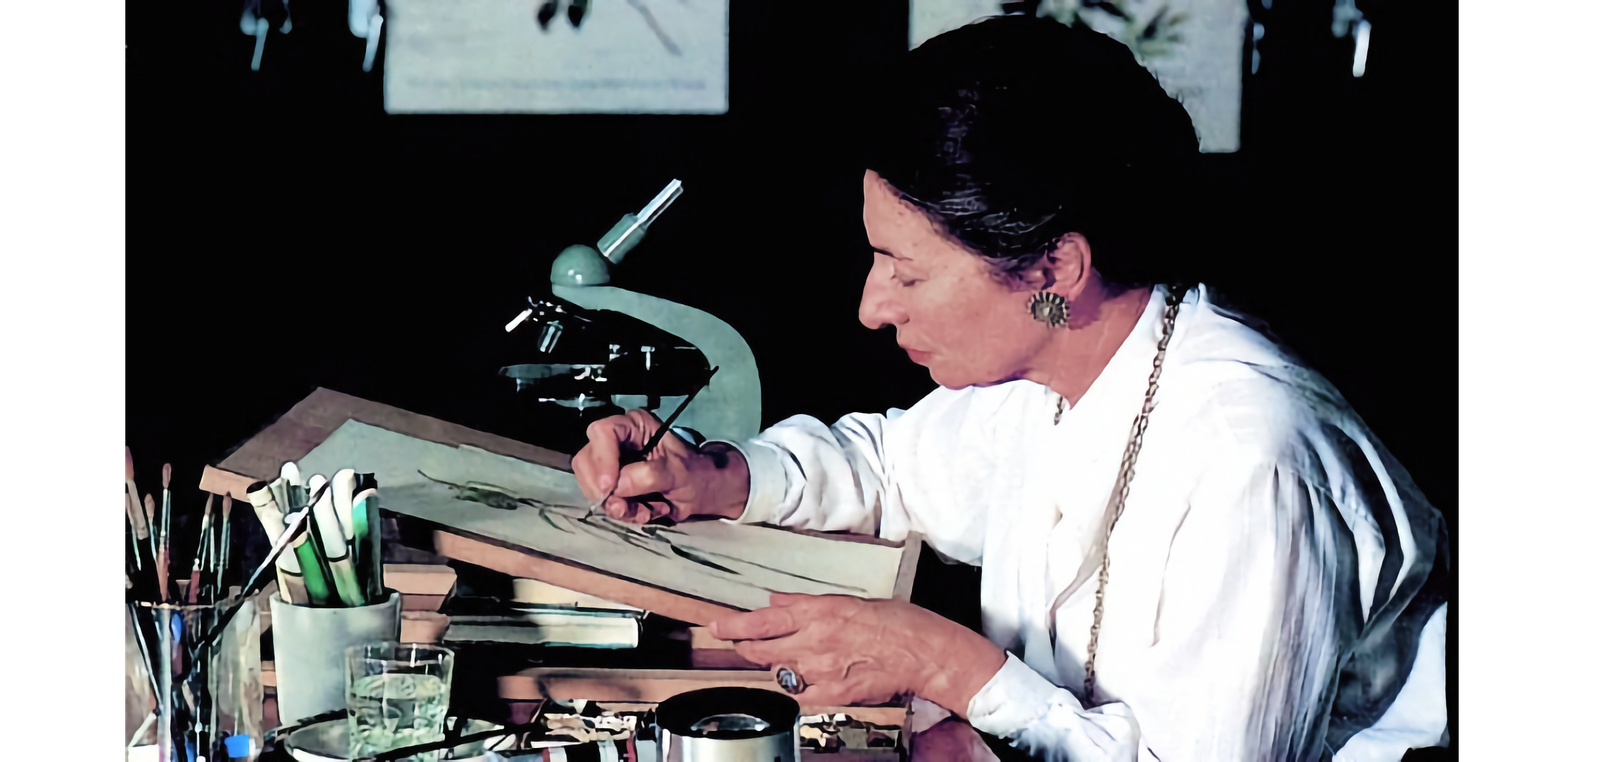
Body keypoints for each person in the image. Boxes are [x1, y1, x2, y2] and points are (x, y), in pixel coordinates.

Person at [570, 15, 1448, 762]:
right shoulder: (1055, 366)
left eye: (905, 274)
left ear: (1055, 268)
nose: (871, 308)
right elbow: (892, 465)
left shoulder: (1251, 461)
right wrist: (720, 476)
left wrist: (947, 664)